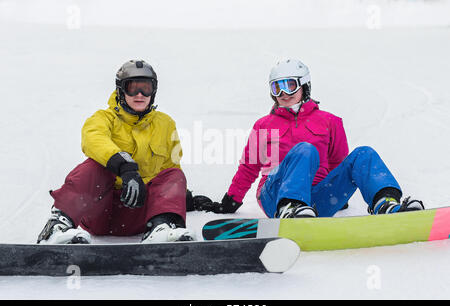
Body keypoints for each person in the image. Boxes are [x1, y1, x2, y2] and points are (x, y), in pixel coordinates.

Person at [201, 59, 424, 218]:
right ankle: (290, 208)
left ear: (304, 85)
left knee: (363, 154)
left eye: (289, 85)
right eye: (276, 88)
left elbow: (339, 163)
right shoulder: (264, 125)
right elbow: (249, 168)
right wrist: (230, 201)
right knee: (304, 150)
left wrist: (340, 195)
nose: (283, 93)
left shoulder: (330, 121)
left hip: (317, 199)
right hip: (274, 196)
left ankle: (385, 203)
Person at [37, 59, 196, 244]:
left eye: (146, 88)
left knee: (174, 174)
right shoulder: (103, 118)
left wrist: (181, 197)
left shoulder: (166, 124)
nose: (140, 94)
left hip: (140, 213)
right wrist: (124, 167)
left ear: (154, 91)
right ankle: (57, 228)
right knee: (92, 168)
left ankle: (162, 228)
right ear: (121, 89)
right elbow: (94, 139)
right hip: (99, 211)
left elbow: (170, 166)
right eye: (132, 88)